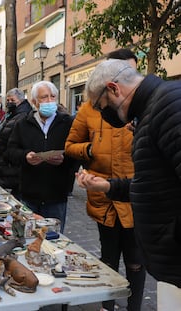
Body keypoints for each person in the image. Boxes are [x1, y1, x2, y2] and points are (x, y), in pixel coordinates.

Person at [79, 58, 181, 309]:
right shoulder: (151, 111)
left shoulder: (169, 106)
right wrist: (109, 187)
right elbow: (153, 183)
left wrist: (172, 239)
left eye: (102, 105)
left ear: (114, 89)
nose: (104, 114)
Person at [65, 49, 145, 311]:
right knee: (108, 258)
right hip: (103, 196)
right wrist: (90, 150)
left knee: (135, 260)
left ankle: (134, 306)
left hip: (136, 196)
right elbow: (71, 145)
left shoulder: (144, 107)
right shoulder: (90, 106)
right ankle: (106, 306)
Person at [6, 81, 76, 233]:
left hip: (56, 194)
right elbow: (11, 151)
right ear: (34, 102)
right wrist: (26, 156)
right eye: (44, 97)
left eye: (53, 96)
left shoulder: (68, 123)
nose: (50, 101)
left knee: (53, 238)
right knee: (28, 237)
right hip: (29, 193)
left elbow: (76, 154)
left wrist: (65, 161)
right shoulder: (23, 124)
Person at [0, 88, 32, 198]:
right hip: (7, 157)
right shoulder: (12, 114)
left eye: (12, 100)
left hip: (12, 159)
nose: (9, 102)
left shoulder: (22, 115)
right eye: (8, 100)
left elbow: (14, 137)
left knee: (17, 190)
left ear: (20, 100)